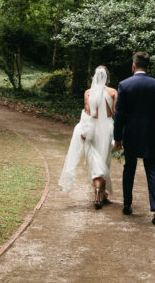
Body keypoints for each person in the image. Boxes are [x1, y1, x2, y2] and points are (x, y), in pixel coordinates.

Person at [114, 52, 155, 226]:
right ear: (148, 66)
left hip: (131, 134)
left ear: (133, 65)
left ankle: (127, 204)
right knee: (152, 170)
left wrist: (117, 137)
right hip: (151, 134)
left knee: (129, 169)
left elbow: (119, 115)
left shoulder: (124, 85)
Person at [58, 66, 118, 209]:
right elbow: (116, 112)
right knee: (105, 161)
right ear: (107, 78)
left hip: (92, 130)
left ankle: (98, 192)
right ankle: (102, 194)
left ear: (94, 77)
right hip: (108, 129)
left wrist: (84, 131)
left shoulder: (88, 93)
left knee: (94, 161)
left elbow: (87, 112)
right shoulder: (113, 92)